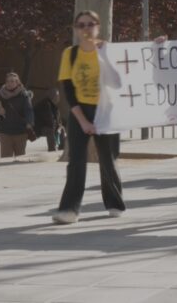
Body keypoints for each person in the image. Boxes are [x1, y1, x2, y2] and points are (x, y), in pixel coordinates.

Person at [53, 11, 125, 224]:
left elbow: (118, 83)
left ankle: (114, 203)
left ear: (98, 27)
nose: (86, 29)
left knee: (108, 159)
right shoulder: (70, 54)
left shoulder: (107, 50)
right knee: (76, 161)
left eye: (90, 24)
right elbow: (68, 90)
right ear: (75, 29)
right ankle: (69, 209)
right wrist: (83, 121)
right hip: (79, 110)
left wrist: (104, 55)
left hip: (106, 109)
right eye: (81, 25)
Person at [0, 72, 35, 159]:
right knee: (5, 159)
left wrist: (29, 123)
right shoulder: (1, 95)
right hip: (5, 132)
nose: (10, 83)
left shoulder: (24, 95)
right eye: (8, 81)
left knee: (20, 159)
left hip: (20, 132)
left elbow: (29, 110)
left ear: (18, 83)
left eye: (12, 81)